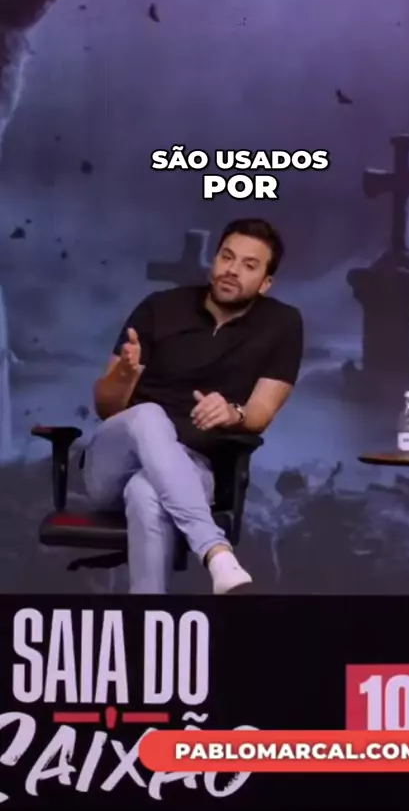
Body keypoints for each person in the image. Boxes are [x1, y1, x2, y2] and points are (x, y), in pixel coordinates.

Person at [83, 218, 304, 594]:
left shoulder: (281, 324)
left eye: (249, 265)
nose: (232, 270)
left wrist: (233, 412)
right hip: (113, 463)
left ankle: (148, 617)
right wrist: (124, 374)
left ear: (266, 282)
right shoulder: (159, 308)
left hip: (194, 466)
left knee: (146, 491)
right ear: (214, 260)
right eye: (227, 257)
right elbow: (106, 408)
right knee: (149, 414)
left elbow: (260, 414)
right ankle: (216, 552)